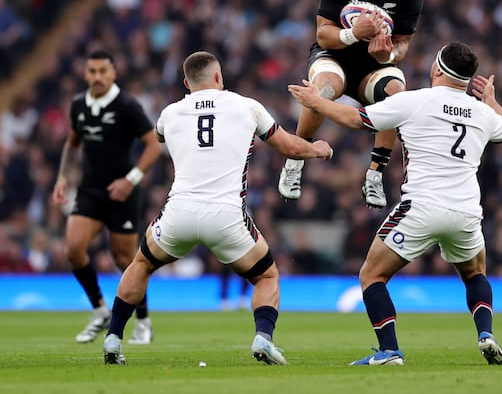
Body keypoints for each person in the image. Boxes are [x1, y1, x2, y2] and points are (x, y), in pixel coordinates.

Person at [102, 51, 333, 365]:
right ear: (219, 77)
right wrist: (317, 150)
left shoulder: (169, 113)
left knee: (141, 264)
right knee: (266, 276)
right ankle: (263, 339)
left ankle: (114, 340)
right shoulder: (247, 106)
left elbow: (159, 138)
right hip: (225, 216)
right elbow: (290, 146)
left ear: (186, 82)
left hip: (178, 213)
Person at [289, 40, 502, 366]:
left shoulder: (414, 101)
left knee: (371, 275)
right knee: (476, 274)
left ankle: (389, 350)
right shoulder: (483, 113)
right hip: (466, 211)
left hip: (422, 207)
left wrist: (316, 102)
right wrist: (491, 100)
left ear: (436, 69)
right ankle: (486, 335)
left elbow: (355, 119)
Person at [278, 0, 424, 209]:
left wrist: (389, 55)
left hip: (374, 64)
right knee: (323, 90)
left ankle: (375, 175)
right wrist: (353, 34)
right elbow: (323, 33)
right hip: (334, 55)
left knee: (397, 95)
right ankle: (295, 160)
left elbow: (404, 44)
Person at [51, 50, 162, 345]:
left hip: (122, 191)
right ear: (85, 74)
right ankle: (100, 309)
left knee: (125, 259)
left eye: (103, 71)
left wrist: (131, 180)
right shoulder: (78, 105)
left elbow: (153, 144)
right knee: (74, 249)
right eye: (92, 71)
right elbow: (73, 144)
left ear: (113, 73)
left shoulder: (127, 106)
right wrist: (62, 177)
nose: (97, 77)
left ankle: (143, 320)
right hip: (90, 188)